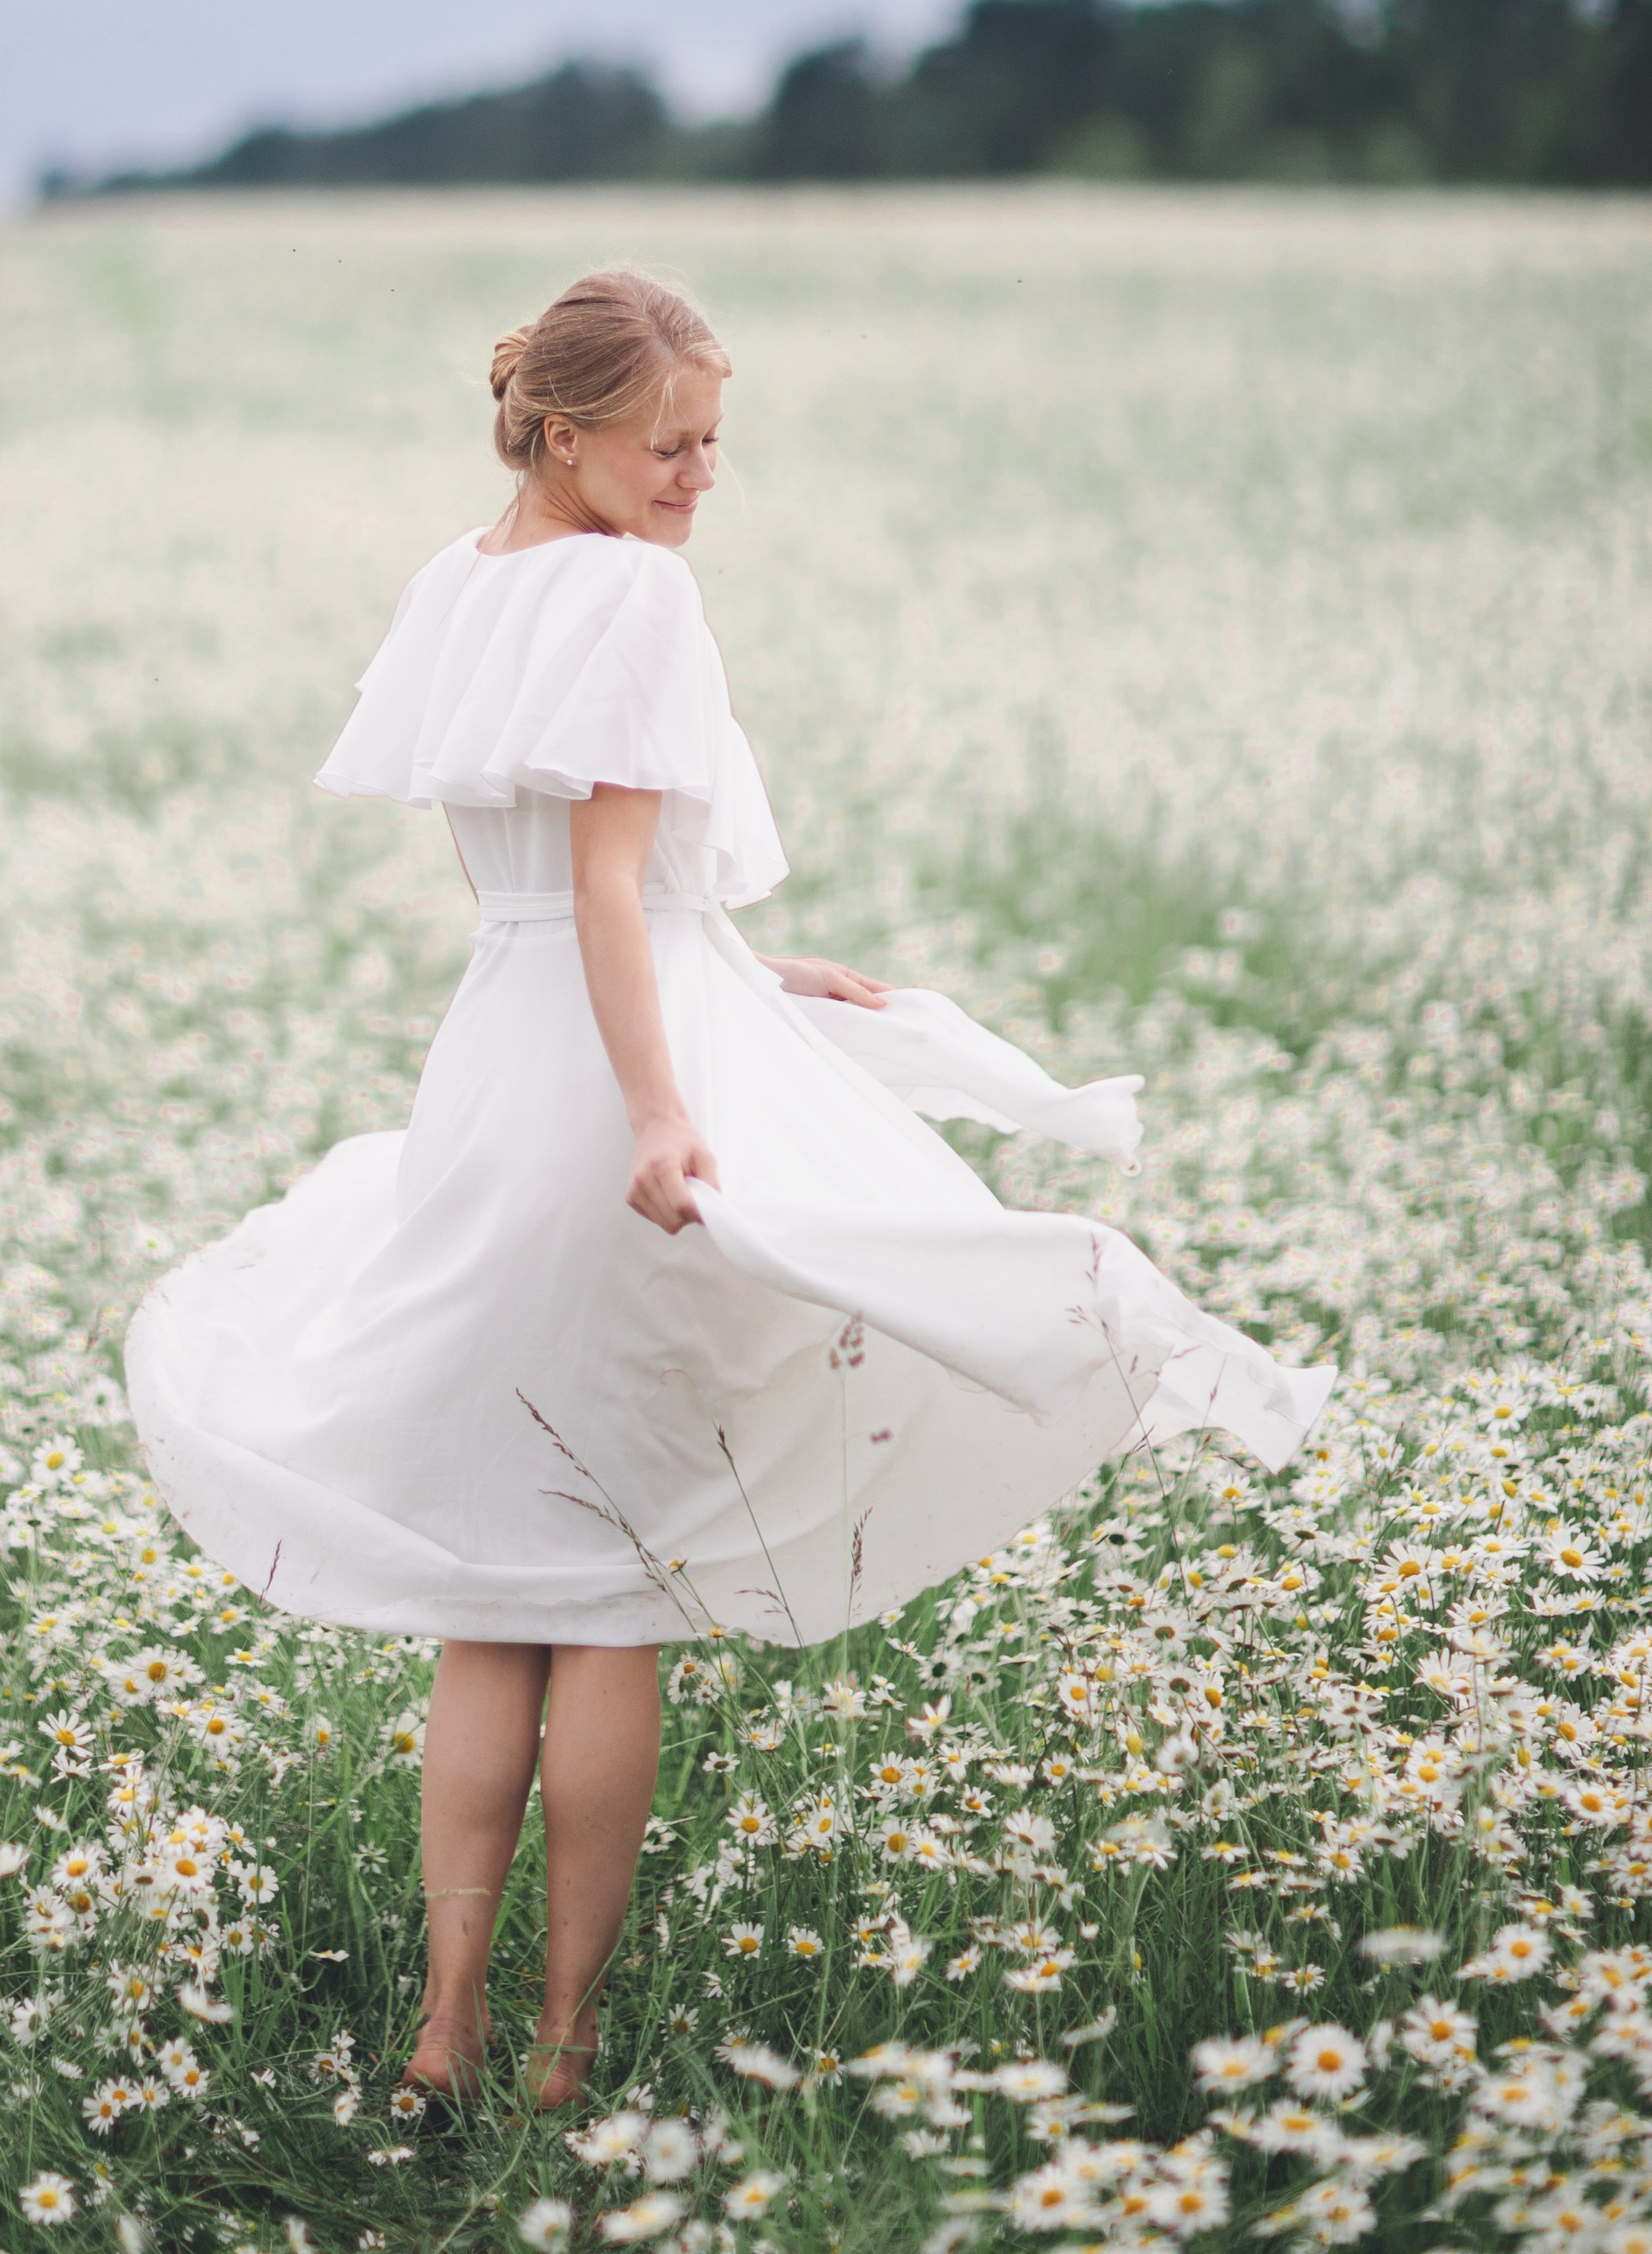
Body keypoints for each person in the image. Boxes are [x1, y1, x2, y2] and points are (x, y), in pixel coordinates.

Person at [125, 268, 1331, 2110]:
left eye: (713, 444)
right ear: (562, 432)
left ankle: (441, 2031)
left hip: (492, 1080)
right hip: (614, 1089)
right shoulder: (631, 593)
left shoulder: (460, 579)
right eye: (671, 444)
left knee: (492, 1587)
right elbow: (609, 892)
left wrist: (747, 975)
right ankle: (557, 2046)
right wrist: (663, 1108)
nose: (701, 476)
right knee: (611, 1590)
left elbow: (545, 899)